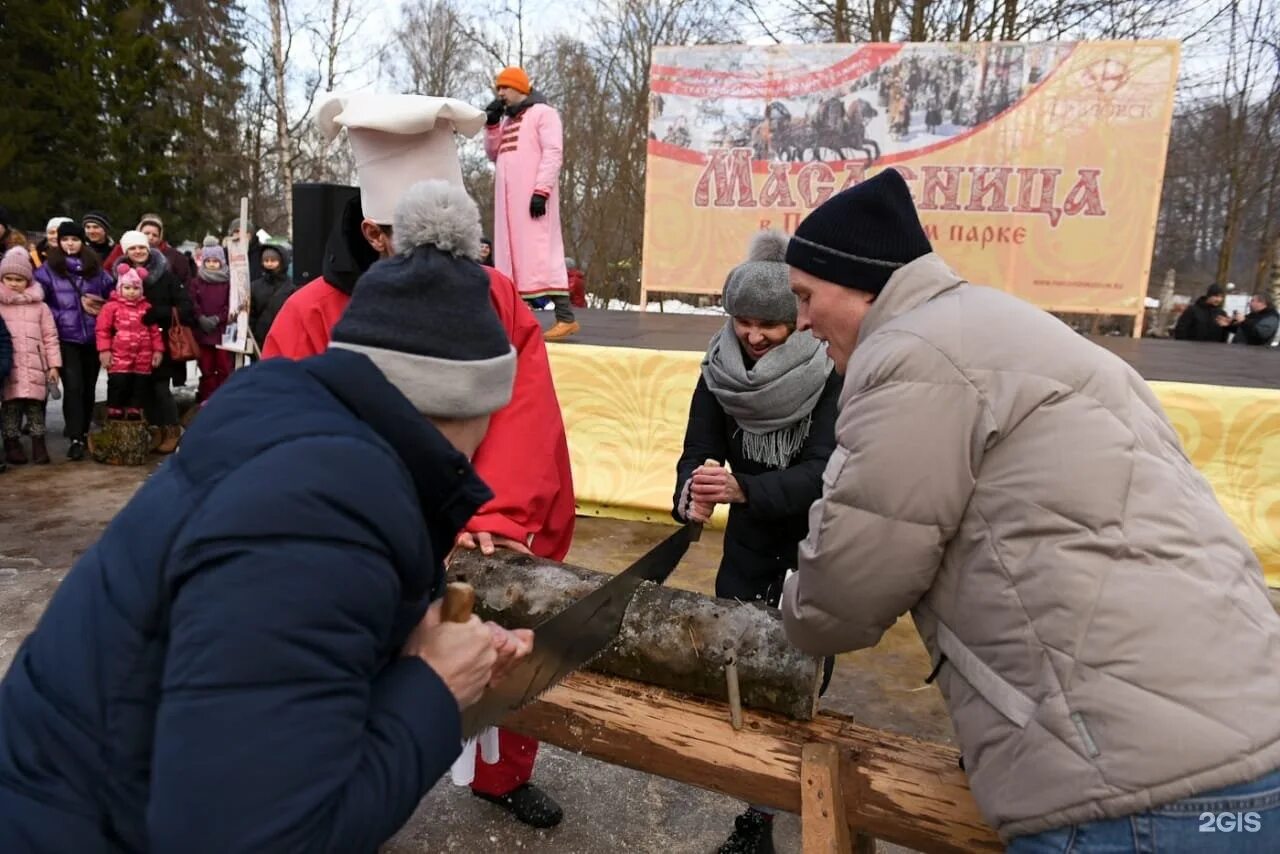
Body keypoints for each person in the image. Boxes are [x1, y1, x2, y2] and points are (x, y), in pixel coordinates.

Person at [0, 195, 536, 849]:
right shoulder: (329, 509)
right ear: (474, 402)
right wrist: (434, 688)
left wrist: (412, 653)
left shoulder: (298, 438)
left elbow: (270, 671)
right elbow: (251, 837)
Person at [779, 169, 1280, 852]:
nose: (801, 321)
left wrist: (789, 608)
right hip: (1245, 742)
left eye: (806, 296)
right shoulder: (1005, 329)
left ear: (861, 282)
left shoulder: (913, 353)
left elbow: (847, 588)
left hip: (1132, 786)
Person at [267, 94, 575, 829]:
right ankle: (340, 802)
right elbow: (292, 436)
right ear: (374, 232)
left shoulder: (496, 294)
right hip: (365, 524)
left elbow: (524, 407)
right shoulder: (309, 312)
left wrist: (492, 510)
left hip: (483, 515)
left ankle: (500, 775)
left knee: (510, 633)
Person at [673, 230, 840, 854]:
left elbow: (824, 472)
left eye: (769, 324)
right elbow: (697, 451)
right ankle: (758, 815)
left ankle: (782, 803)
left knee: (798, 683)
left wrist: (743, 488)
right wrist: (693, 492)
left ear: (796, 319)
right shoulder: (719, 370)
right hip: (746, 552)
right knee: (742, 673)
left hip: (815, 549)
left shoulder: (831, 374)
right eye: (742, 322)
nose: (754, 336)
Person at [485, 66, 579, 340]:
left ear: (519, 88)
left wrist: (542, 190)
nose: (500, 93)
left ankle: (566, 318)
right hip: (508, 205)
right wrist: (491, 125)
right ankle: (513, 318)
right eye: (498, 88)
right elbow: (493, 154)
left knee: (540, 256)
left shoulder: (544, 113)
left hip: (533, 199)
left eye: (504, 87)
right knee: (512, 259)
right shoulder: (508, 120)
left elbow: (553, 152)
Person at [35, 220, 113, 460]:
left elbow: (112, 296)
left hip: (91, 336)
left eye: (75, 239)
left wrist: (100, 308)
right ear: (59, 242)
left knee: (89, 387)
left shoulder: (96, 269)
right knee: (74, 386)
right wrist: (65, 314)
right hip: (65, 337)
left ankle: (84, 429)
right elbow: (40, 304)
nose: (70, 244)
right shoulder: (48, 269)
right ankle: (76, 437)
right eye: (66, 239)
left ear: (82, 242)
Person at [116, 229, 195, 453]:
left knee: (161, 387)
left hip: (162, 341)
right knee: (142, 388)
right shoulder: (120, 277)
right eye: (133, 248)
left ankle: (171, 430)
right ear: (126, 252)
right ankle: (155, 430)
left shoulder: (165, 276)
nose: (138, 251)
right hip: (131, 343)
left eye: (142, 247)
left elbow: (186, 308)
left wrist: (159, 312)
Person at [0, 247, 59, 465]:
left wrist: (53, 365)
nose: (14, 283)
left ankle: (38, 442)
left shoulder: (40, 307)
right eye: (9, 278)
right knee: (10, 407)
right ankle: (12, 443)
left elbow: (50, 336)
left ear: (28, 280)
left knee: (35, 407)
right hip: (10, 366)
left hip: (36, 364)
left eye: (19, 279)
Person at [96, 263, 164, 420]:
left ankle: (135, 408)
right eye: (127, 288)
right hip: (120, 354)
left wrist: (158, 350)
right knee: (118, 383)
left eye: (135, 288)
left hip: (143, 355)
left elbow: (154, 331)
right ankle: (114, 408)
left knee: (140, 384)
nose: (131, 292)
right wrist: (104, 350)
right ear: (120, 287)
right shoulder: (111, 307)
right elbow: (102, 330)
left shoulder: (147, 307)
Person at [189, 245, 233, 402]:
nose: (212, 264)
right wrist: (200, 318)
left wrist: (217, 319)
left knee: (224, 367)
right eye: (209, 261)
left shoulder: (228, 282)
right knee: (206, 368)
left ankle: (224, 397)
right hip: (203, 332)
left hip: (222, 332)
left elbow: (231, 305)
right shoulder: (197, 282)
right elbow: (193, 302)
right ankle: (207, 397)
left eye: (216, 261)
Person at [249, 243, 295, 352]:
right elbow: (252, 313)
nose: (269, 264)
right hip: (260, 339)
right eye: (266, 260)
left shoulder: (291, 287)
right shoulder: (255, 286)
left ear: (281, 261)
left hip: (283, 336)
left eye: (273, 260)